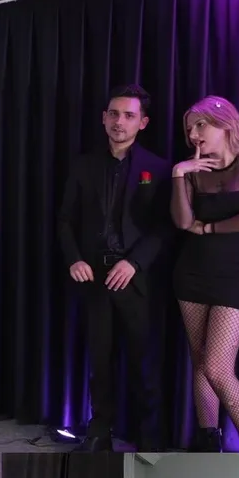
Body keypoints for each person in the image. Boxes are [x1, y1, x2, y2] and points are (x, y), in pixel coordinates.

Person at [57, 84, 173, 452]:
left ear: (143, 122)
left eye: (128, 115)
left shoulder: (158, 168)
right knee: (99, 361)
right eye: (113, 114)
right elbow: (65, 220)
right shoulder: (84, 164)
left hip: (136, 279)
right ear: (103, 118)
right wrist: (75, 258)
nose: (119, 121)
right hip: (94, 277)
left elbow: (165, 226)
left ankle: (150, 440)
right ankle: (99, 433)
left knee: (143, 363)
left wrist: (134, 263)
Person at [170, 96, 239, 453]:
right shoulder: (192, 168)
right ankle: (207, 444)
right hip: (192, 272)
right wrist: (179, 173)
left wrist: (210, 228)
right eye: (189, 128)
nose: (193, 134)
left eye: (200, 125)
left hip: (237, 276)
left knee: (217, 367)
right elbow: (182, 221)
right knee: (200, 362)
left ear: (225, 124)